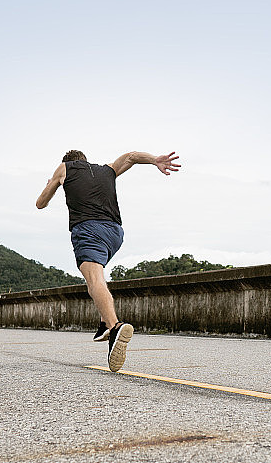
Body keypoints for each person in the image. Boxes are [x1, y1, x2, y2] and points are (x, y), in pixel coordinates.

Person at [36, 150, 181, 371]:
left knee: (94, 280)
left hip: (88, 229)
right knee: (97, 278)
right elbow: (131, 156)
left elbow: (40, 203)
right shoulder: (108, 170)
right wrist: (154, 160)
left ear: (70, 163)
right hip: (115, 233)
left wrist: (52, 184)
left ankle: (114, 327)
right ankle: (104, 321)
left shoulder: (65, 167)